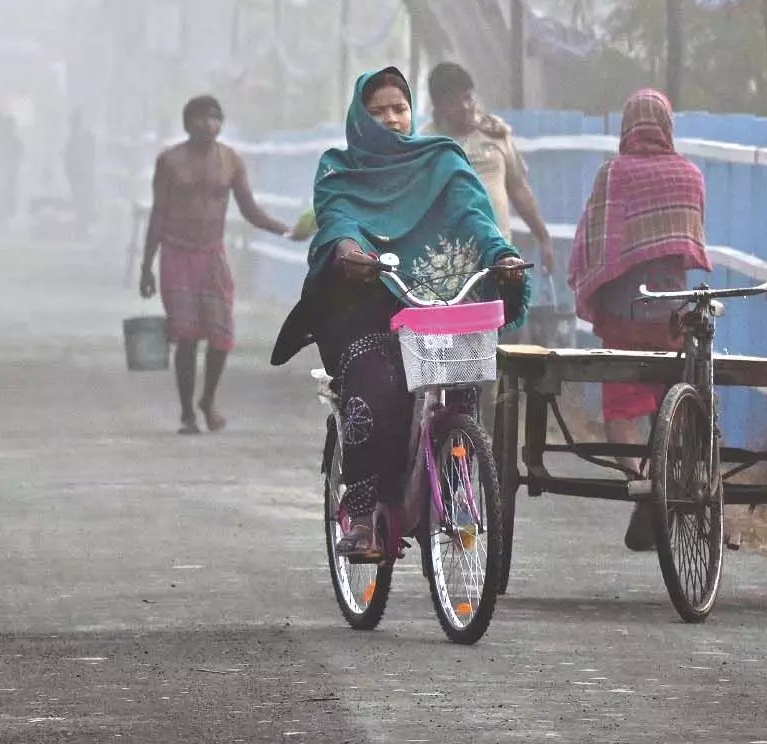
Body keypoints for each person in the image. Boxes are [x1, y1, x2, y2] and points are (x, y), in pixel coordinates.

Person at [271, 67, 530, 560]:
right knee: (379, 385)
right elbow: (339, 218)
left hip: (436, 301)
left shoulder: (442, 160)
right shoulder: (339, 169)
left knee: (461, 389)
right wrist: (349, 251)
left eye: (399, 108)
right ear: (360, 119)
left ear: (413, 111)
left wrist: (501, 255)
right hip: (366, 302)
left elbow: (474, 217)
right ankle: (364, 512)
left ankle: (452, 493)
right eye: (378, 112)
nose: (391, 119)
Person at [568, 89, 711, 551]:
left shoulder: (614, 175)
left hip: (623, 315)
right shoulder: (689, 175)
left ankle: (639, 479)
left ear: (627, 126)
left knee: (620, 405)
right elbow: (687, 244)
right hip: (671, 315)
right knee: (672, 392)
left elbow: (597, 241)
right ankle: (666, 474)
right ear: (667, 125)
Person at [140, 95, 291, 433]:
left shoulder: (230, 161)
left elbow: (249, 209)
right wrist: (146, 265)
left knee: (221, 334)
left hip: (212, 255)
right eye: (201, 118)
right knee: (186, 335)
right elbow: (159, 214)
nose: (208, 124)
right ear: (187, 123)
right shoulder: (169, 161)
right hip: (177, 255)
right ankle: (186, 413)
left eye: (215, 118)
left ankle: (207, 399)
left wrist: (284, 230)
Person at [423, 62, 558, 278]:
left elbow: (518, 189)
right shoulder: (425, 143)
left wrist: (543, 237)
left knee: (502, 310)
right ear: (438, 107)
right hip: (447, 261)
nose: (466, 107)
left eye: (468, 97)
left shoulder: (495, 132)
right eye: (455, 102)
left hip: (499, 256)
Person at [64, 110, 98, 237]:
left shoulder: (81, 137)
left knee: (82, 202)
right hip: (79, 176)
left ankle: (82, 229)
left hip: (82, 176)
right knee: (80, 203)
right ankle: (81, 229)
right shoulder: (75, 137)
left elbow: (84, 156)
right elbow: (69, 158)